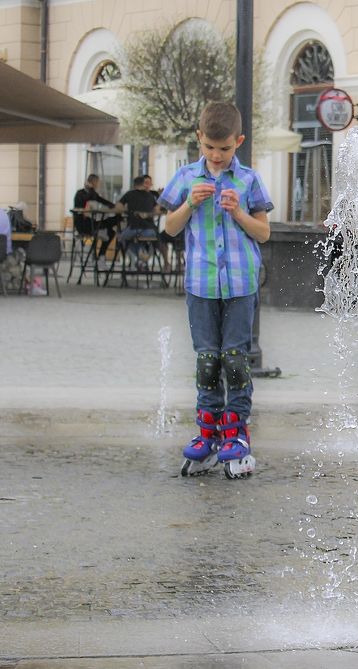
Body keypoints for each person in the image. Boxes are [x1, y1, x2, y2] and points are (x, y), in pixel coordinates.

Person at [158, 101, 273, 478]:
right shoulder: (187, 177)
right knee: (207, 357)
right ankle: (207, 429)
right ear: (199, 139)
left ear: (238, 141)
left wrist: (239, 213)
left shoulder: (249, 180)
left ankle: (236, 430)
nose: (217, 156)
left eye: (224, 149)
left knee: (234, 356)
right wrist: (190, 203)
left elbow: (264, 232)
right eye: (209, 147)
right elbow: (169, 228)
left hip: (240, 283)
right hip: (201, 284)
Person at [73, 174, 120, 270]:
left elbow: (101, 200)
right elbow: (85, 200)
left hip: (93, 223)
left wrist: (114, 206)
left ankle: (101, 257)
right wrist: (90, 190)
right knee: (110, 230)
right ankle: (100, 258)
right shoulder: (80, 193)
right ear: (93, 182)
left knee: (112, 229)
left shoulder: (92, 193)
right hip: (84, 225)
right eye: (97, 182)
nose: (98, 185)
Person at [118, 175, 161, 269]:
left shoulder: (129, 194)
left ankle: (136, 255)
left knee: (121, 238)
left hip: (133, 227)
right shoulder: (151, 196)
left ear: (134, 185)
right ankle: (142, 254)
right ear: (143, 184)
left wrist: (127, 211)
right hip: (149, 230)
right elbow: (157, 210)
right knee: (141, 240)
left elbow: (118, 206)